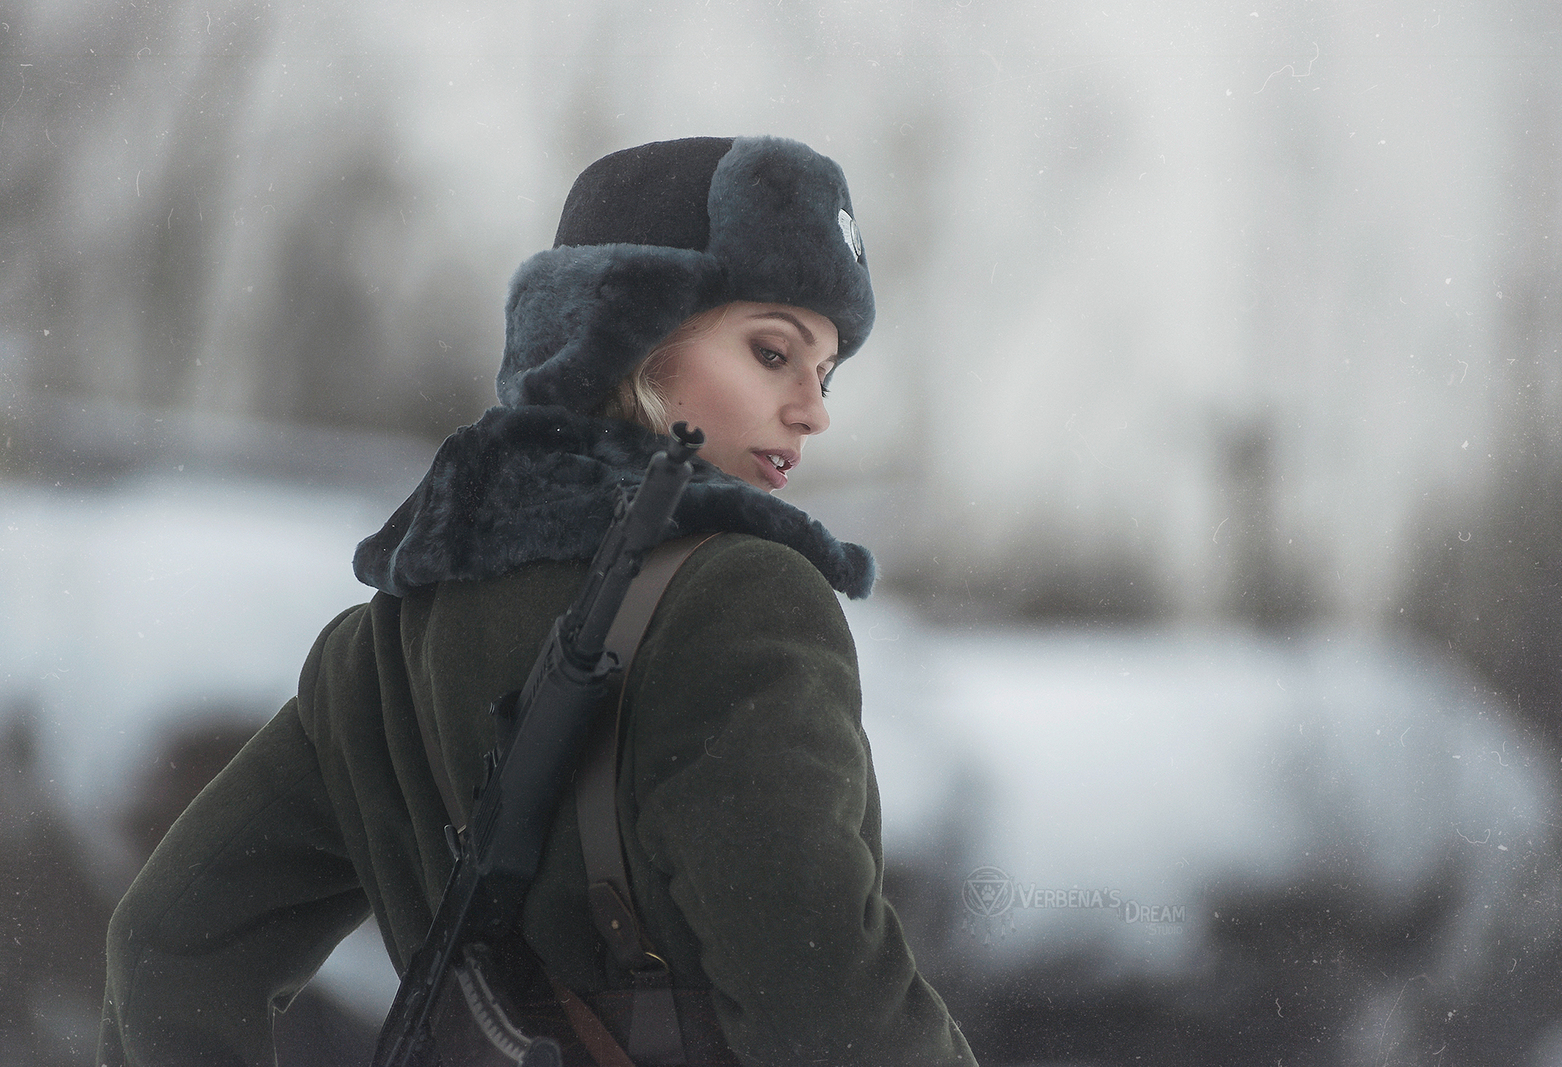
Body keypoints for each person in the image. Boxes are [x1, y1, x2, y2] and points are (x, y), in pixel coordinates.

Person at [97, 135, 978, 1067]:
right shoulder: (745, 599)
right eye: (773, 352)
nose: (815, 409)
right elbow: (829, 1008)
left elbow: (169, 947)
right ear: (630, 333)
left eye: (826, 371)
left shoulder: (383, 646)